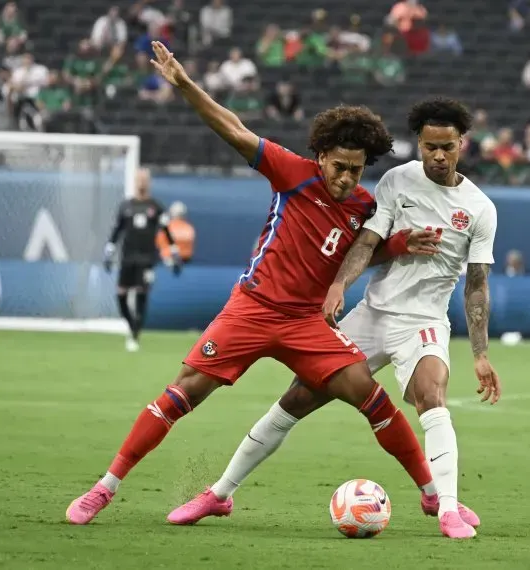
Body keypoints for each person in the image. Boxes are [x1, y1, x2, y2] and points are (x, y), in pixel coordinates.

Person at [66, 41, 449, 531]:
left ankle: (433, 495)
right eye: (339, 166)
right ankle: (105, 487)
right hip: (252, 309)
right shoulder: (291, 173)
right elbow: (233, 127)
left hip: (306, 323)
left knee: (370, 396)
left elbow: (358, 255)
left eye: (356, 169)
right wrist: (185, 85)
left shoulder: (362, 206)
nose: (347, 177)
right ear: (320, 154)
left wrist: (395, 246)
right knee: (183, 392)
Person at [169, 97, 501, 539]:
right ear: (419, 143)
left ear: (463, 143)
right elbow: (365, 242)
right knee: (296, 399)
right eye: (429, 146)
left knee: (430, 395)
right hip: (373, 314)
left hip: (423, 321)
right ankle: (221, 493)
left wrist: (480, 354)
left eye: (447, 147)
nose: (438, 156)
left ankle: (447, 508)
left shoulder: (480, 208)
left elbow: (477, 284)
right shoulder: (397, 182)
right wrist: (340, 285)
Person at [104, 168, 182, 352]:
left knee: (141, 295)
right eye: (139, 179)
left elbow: (167, 231)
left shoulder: (156, 207)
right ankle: (132, 326)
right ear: (134, 181)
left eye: (145, 179)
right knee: (121, 295)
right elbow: (117, 231)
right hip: (127, 258)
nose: (142, 182)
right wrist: (109, 251)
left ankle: (134, 335)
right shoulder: (126, 206)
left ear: (149, 183)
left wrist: (174, 253)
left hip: (146, 259)